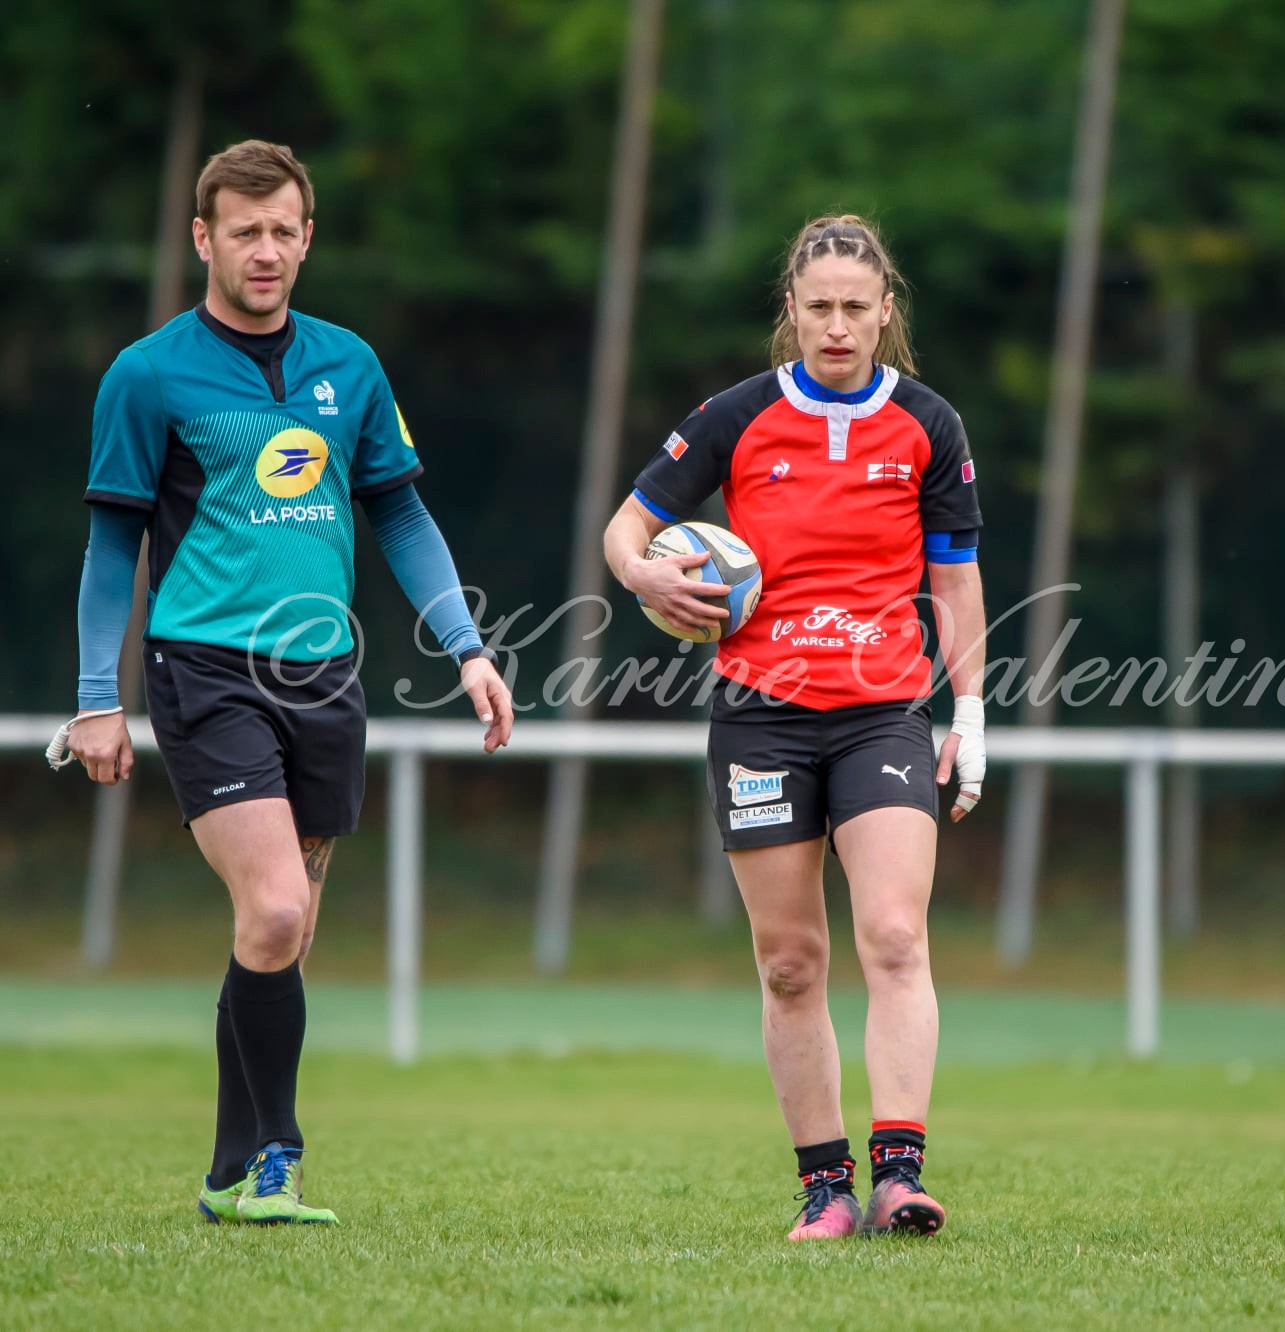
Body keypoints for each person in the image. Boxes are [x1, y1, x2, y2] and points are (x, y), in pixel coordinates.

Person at [52, 140, 513, 1225]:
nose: (264, 250)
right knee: (271, 908)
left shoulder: (349, 364)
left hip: (324, 677)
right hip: (204, 667)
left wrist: (468, 647)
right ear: (203, 239)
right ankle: (277, 1160)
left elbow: (399, 513)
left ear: (308, 238)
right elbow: (113, 548)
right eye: (243, 231)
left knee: (283, 935)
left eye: (282, 231)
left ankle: (226, 1172)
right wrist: (95, 695)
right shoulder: (148, 374)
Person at [603, 215, 987, 1241]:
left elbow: (954, 579)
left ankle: (899, 1175)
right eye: (818, 307)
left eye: (855, 307)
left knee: (894, 935)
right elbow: (627, 525)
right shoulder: (735, 416)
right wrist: (641, 575)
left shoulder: (928, 424)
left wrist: (971, 712)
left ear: (885, 311)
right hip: (760, 719)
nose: (837, 326)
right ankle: (826, 1190)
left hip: (883, 713)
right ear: (791, 310)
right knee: (788, 962)